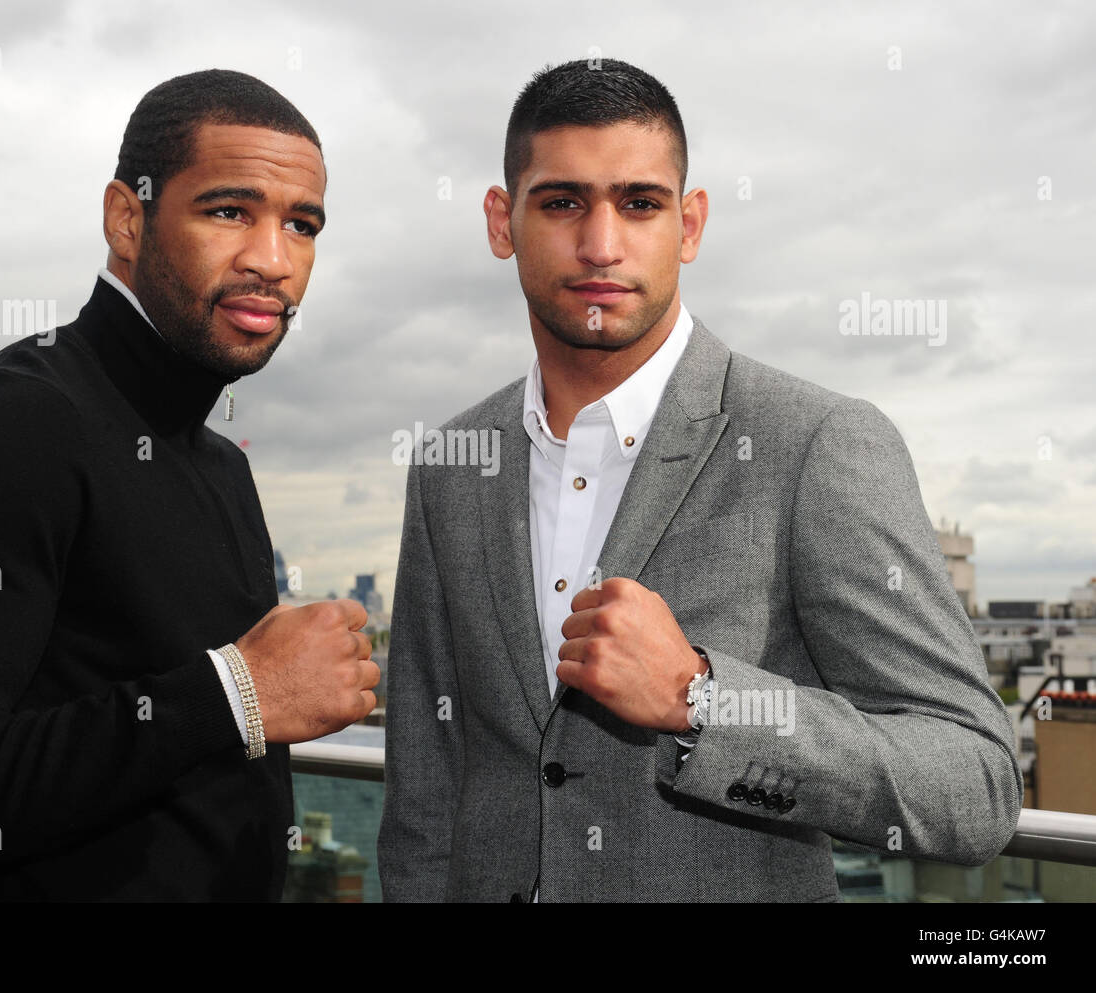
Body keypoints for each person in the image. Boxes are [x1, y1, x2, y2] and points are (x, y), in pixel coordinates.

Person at [378, 58, 1022, 902]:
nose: (601, 243)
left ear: (689, 225)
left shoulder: (818, 442)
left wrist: (703, 697)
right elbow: (426, 791)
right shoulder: (451, 464)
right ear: (503, 221)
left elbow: (974, 784)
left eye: (639, 203)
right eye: (563, 201)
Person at [0, 69, 380, 901]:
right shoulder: (11, 423)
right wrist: (239, 690)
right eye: (230, 210)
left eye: (301, 225)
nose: (273, 259)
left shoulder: (221, 463)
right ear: (128, 218)